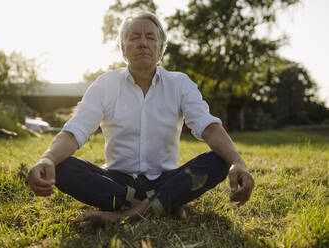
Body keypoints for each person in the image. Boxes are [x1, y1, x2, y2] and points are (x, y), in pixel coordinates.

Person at [28, 12, 254, 224]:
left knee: (219, 160)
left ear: (161, 47)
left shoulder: (179, 83)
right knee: (64, 166)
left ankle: (127, 213)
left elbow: (209, 127)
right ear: (123, 49)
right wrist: (47, 159)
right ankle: (163, 204)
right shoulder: (105, 85)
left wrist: (237, 162)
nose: (143, 43)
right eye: (134, 37)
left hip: (166, 178)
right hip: (117, 181)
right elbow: (75, 130)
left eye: (150, 37)